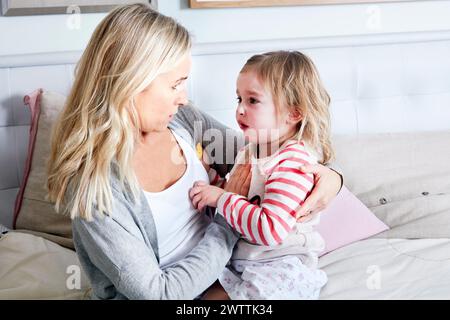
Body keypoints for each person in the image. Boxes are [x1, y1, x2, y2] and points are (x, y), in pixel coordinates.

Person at [46, 3, 342, 300]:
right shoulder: (94, 186)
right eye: (176, 85)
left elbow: (267, 160)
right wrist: (226, 218)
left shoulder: (184, 120)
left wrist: (331, 177)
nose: (183, 99)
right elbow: (159, 294)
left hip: (231, 274)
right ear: (131, 83)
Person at [190, 51, 333, 299]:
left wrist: (221, 198)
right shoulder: (251, 151)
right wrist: (212, 181)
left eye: (253, 101)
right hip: (244, 260)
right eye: (239, 99)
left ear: (293, 114)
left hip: (281, 266)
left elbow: (270, 230)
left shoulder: (293, 163)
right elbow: (239, 200)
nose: (240, 110)